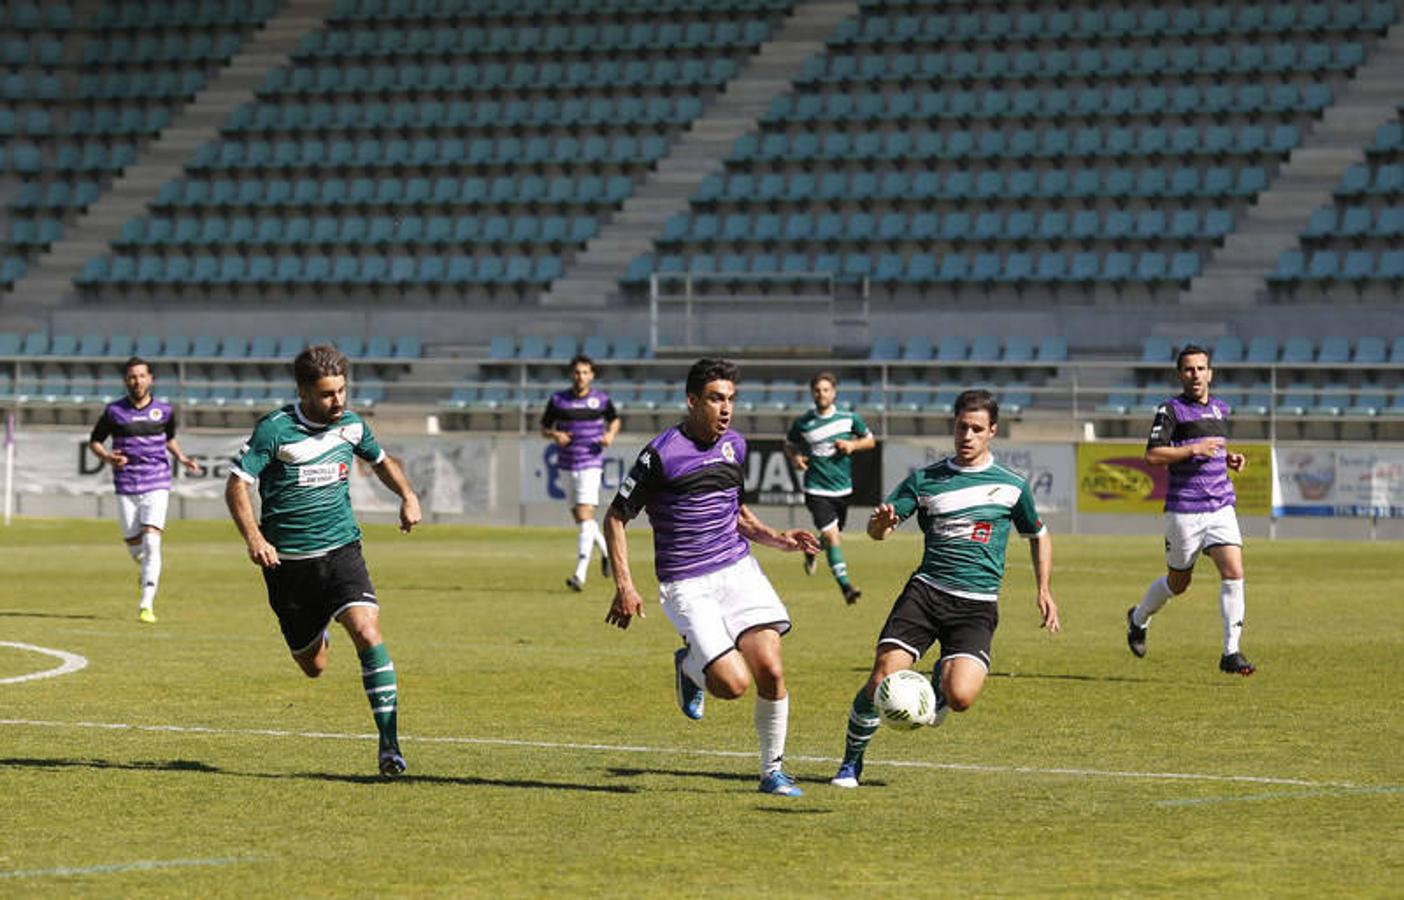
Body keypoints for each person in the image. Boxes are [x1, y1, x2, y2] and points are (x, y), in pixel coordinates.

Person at [604, 358, 821, 797]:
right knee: (732, 684)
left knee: (771, 670)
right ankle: (689, 666)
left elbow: (735, 513)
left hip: (738, 571)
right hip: (687, 582)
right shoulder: (660, 454)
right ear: (692, 401)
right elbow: (615, 517)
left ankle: (772, 772)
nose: (726, 409)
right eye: (716, 399)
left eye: (731, 400)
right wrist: (625, 585)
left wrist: (778, 538)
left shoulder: (735, 447)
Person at [830, 389, 1058, 789]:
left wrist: (1044, 589)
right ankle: (851, 762)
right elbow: (877, 531)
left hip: (976, 606)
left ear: (992, 432)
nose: (966, 435)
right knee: (882, 676)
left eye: (975, 429)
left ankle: (940, 681)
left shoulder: (1011, 486)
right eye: (960, 427)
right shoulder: (925, 479)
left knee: (961, 698)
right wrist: (880, 524)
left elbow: (1038, 534)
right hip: (926, 595)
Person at [225, 345, 422, 778]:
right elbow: (237, 486)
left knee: (369, 633)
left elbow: (382, 461)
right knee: (313, 666)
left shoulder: (351, 426)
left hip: (340, 553)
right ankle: (319, 635)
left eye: (342, 391)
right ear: (304, 392)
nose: (338, 402)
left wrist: (407, 496)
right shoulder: (274, 430)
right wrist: (254, 537)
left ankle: (389, 746)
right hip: (288, 568)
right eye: (328, 394)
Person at [1126, 344, 1255, 676]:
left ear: (1210, 373)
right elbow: (1154, 455)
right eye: (1188, 369)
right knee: (1178, 583)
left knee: (1234, 571)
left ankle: (1231, 652)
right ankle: (1138, 618)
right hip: (1185, 510)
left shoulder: (1221, 410)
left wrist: (1229, 458)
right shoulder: (1170, 411)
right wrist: (1193, 448)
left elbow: (1213, 448)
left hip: (1220, 505)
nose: (1195, 374)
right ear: (1180, 374)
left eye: (1201, 368)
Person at [88, 356, 200, 624]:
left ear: (150, 379)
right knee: (136, 549)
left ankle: (146, 604)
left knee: (152, 542)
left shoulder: (165, 411)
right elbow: (94, 441)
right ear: (126, 381)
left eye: (141, 376)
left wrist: (182, 458)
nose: (136, 380)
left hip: (157, 481)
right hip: (126, 483)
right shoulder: (114, 411)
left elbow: (168, 438)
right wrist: (108, 458)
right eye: (131, 376)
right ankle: (149, 568)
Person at [784, 371, 875, 604]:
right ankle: (846, 587)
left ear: (833, 393)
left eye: (826, 390)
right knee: (833, 536)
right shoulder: (803, 423)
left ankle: (811, 549)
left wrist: (852, 445)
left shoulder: (848, 418)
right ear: (812, 393)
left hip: (842, 490)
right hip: (816, 490)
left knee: (831, 536)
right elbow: (789, 444)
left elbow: (870, 440)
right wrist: (795, 459)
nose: (821, 394)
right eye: (817, 390)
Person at [540, 353, 621, 592]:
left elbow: (614, 420)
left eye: (585, 372)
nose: (581, 376)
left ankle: (580, 574)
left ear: (592, 375)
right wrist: (556, 435)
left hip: (591, 463)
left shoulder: (601, 400)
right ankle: (606, 552)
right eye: (577, 372)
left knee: (586, 516)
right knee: (582, 519)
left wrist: (610, 435)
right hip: (566, 464)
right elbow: (544, 428)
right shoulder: (558, 400)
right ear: (571, 374)